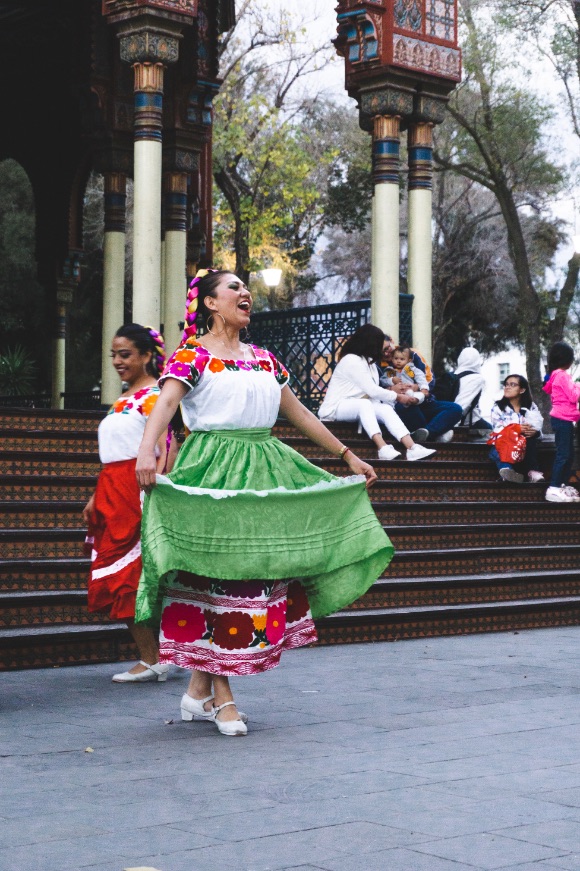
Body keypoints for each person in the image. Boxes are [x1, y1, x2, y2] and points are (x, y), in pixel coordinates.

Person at [134, 270, 394, 737]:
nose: (243, 293)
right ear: (210, 303)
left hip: (264, 467)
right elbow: (166, 405)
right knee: (219, 579)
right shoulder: (192, 355)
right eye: (232, 287)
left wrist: (348, 454)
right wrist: (146, 453)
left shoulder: (265, 360)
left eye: (244, 287)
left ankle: (197, 691)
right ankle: (223, 698)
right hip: (211, 470)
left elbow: (299, 413)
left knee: (254, 578)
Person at [83, 324, 172, 683]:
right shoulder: (124, 398)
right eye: (114, 355)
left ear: (147, 356)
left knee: (126, 576)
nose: (118, 362)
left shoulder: (155, 395)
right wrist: (96, 495)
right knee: (122, 575)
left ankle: (154, 657)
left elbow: (167, 447)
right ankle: (156, 655)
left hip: (135, 492)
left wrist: (157, 493)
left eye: (126, 354)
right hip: (112, 491)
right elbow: (116, 452)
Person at [317, 325, 435, 461]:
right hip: (336, 407)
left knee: (384, 408)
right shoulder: (351, 360)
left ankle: (412, 448)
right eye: (380, 345)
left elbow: (373, 393)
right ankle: (383, 448)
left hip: (359, 404)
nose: (383, 350)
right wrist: (398, 397)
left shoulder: (370, 363)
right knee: (364, 404)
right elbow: (372, 390)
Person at [380, 337, 463, 443]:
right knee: (405, 407)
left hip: (423, 401)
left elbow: (429, 379)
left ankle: (427, 433)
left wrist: (417, 387)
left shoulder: (413, 355)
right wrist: (391, 388)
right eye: (382, 351)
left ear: (392, 341)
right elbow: (377, 387)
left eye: (387, 348)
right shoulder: (382, 365)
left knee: (455, 409)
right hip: (402, 404)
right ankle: (435, 435)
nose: (386, 354)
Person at [489, 374, 544, 484]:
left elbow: (538, 427)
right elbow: (498, 430)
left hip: (524, 449)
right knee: (497, 448)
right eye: (506, 384)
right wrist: (517, 429)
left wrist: (535, 433)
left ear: (522, 389)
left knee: (529, 438)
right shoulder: (498, 407)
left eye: (512, 385)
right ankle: (507, 471)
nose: (507, 387)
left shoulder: (531, 406)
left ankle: (531, 472)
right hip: (506, 447)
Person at [543, 342, 580, 503]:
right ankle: (554, 487)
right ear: (568, 360)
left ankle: (562, 485)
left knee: (568, 454)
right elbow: (574, 396)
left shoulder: (554, 375)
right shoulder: (563, 376)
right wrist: (578, 385)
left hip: (562, 419)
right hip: (563, 419)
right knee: (564, 454)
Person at [453, 348, 490, 429]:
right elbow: (463, 402)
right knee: (494, 434)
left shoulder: (454, 375)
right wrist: (453, 424)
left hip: (450, 417)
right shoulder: (477, 378)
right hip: (469, 421)